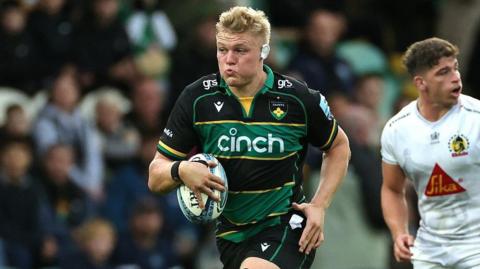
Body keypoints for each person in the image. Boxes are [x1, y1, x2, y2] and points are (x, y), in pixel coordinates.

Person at [148, 6, 350, 269]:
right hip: (231, 235)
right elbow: (155, 175)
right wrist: (181, 169)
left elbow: (338, 146)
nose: (229, 59)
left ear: (263, 52)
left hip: (286, 224)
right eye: (222, 49)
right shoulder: (197, 99)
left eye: (240, 50)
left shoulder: (297, 99)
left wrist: (320, 205)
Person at [381, 37, 480, 268]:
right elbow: (391, 189)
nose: (455, 77)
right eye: (443, 72)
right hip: (430, 251)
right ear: (421, 83)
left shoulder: (476, 118)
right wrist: (399, 233)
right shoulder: (397, 130)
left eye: (455, 68)